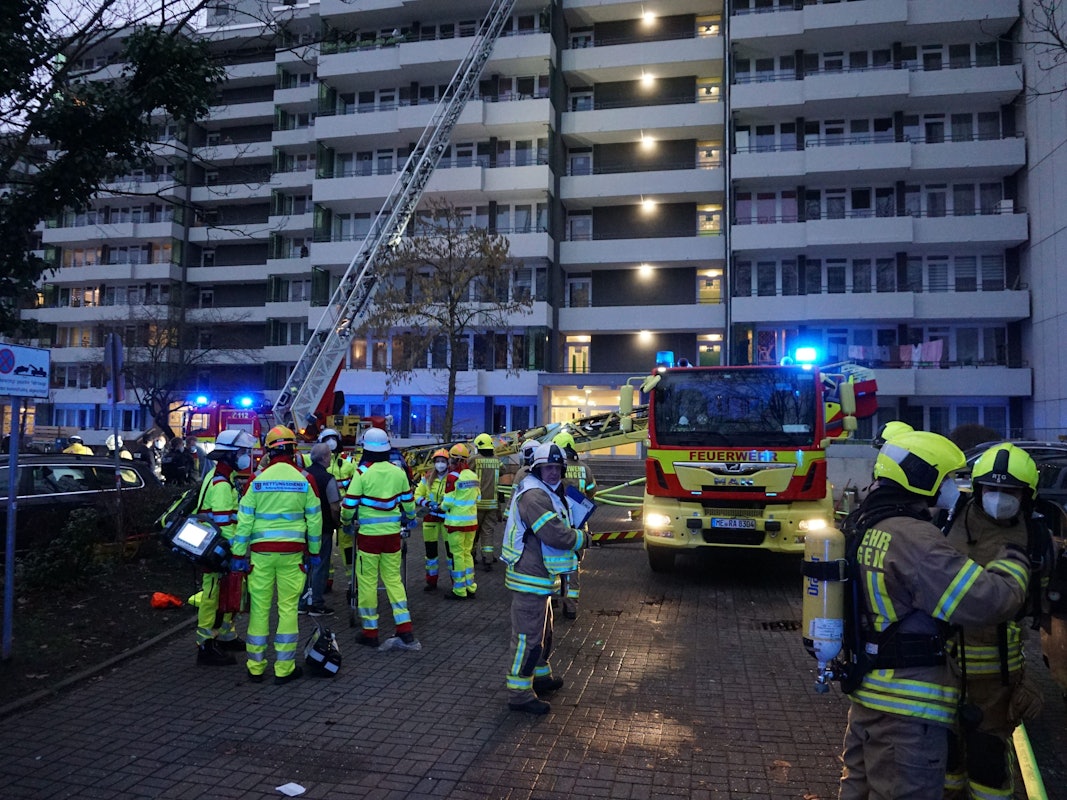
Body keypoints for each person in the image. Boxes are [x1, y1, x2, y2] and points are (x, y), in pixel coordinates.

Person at [838, 431, 1032, 800]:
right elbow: (987, 600)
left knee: (858, 791)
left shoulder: (865, 524)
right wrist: (1014, 562)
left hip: (868, 697)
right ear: (922, 478)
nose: (952, 487)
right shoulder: (916, 540)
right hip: (907, 715)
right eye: (946, 478)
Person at [944, 443, 1047, 800]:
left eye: (1010, 491)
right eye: (991, 489)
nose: (999, 498)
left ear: (1026, 495)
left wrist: (1026, 678)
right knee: (946, 758)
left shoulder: (1034, 536)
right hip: (946, 668)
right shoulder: (951, 518)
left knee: (988, 763)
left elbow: (1033, 607)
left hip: (998, 679)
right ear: (977, 489)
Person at [230, 425, 322, 685]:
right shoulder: (305, 480)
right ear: (294, 450)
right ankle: (284, 668)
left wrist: (239, 555)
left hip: (260, 555)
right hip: (292, 555)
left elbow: (244, 522)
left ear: (268, 451)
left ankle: (256, 667)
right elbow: (315, 522)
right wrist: (314, 552)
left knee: (259, 609)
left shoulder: (256, 481)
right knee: (288, 609)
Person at [501, 442, 586, 715]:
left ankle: (540, 676)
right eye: (548, 468)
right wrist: (582, 538)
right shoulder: (534, 496)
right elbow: (554, 533)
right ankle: (519, 694)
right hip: (530, 577)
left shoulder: (548, 491)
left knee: (543, 631)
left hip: (541, 576)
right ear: (537, 469)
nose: (553, 473)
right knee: (527, 636)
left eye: (557, 468)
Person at [340, 427, 419, 650]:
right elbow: (408, 503)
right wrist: (411, 518)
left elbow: (349, 506)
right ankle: (405, 630)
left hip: (368, 538)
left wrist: (346, 523)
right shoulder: (398, 471)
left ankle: (370, 632)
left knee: (367, 583)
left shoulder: (362, 473)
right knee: (394, 580)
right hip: (392, 535)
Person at [194, 428, 257, 666]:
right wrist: (236, 551)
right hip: (219, 551)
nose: (245, 456)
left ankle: (227, 636)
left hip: (218, 549)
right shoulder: (221, 484)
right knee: (212, 599)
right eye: (242, 451)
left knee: (228, 595)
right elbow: (224, 524)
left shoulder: (222, 477)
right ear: (229, 454)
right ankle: (206, 646)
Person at [553, 431, 597, 620]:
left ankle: (553, 597)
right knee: (573, 564)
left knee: (553, 560)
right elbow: (592, 491)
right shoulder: (584, 468)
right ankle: (570, 607)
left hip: (558, 521)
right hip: (579, 523)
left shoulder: (554, 468)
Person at [309, 428, 355, 596]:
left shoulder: (349, 464)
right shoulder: (312, 459)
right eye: (327, 439)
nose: (331, 442)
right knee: (324, 551)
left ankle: (352, 581)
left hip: (343, 512)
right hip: (326, 512)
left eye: (333, 438)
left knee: (347, 548)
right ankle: (325, 582)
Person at [301, 442, 341, 617]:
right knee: (320, 565)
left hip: (302, 529)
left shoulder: (302, 475)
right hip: (323, 528)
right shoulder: (328, 478)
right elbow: (335, 507)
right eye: (329, 455)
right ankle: (316, 603)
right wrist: (337, 523)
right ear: (325, 457)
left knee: (304, 565)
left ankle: (302, 602)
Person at [440, 443, 480, 600]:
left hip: (456, 524)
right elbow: (478, 497)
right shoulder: (473, 475)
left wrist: (440, 506)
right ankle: (471, 586)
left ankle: (459, 590)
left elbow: (448, 502)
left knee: (457, 555)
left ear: (454, 460)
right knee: (467, 554)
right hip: (471, 523)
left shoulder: (452, 477)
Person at [414, 448, 450, 592]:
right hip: (430, 518)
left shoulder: (453, 478)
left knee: (451, 553)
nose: (440, 464)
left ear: (448, 463)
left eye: (443, 461)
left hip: (447, 518)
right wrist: (427, 503)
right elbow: (417, 495)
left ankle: (456, 582)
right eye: (438, 461)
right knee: (430, 553)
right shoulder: (427, 477)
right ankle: (431, 581)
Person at [471, 432, 503, 570]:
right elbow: (504, 470)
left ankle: (471, 555)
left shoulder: (474, 459)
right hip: (492, 504)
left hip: (476, 504)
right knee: (488, 531)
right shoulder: (497, 460)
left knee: (474, 531)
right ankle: (488, 558)